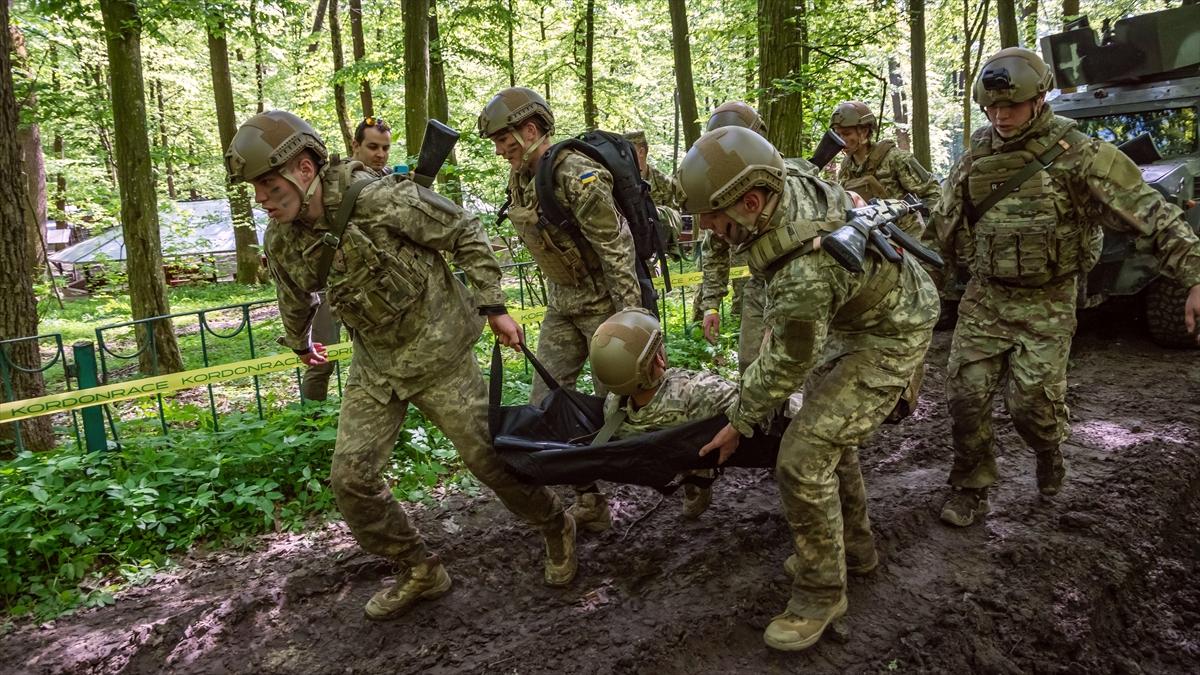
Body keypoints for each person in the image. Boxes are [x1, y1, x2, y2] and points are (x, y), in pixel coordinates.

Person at [225, 110, 577, 621]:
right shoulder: (283, 238)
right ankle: (418, 567)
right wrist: (300, 342)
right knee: (351, 478)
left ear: (303, 169)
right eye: (254, 189)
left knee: (488, 461)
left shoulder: (378, 199)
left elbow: (464, 230)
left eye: (265, 183)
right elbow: (294, 292)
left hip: (439, 353)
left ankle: (554, 524)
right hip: (376, 367)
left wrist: (493, 304)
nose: (260, 198)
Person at [680, 126, 939, 650]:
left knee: (802, 457)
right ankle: (857, 548)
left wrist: (737, 424)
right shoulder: (784, 173)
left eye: (713, 215)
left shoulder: (806, 274)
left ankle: (822, 593)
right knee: (823, 433)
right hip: (854, 317)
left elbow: (786, 362)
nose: (706, 227)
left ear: (751, 202)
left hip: (892, 332)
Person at [932, 47, 1200, 527]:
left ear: (1038, 100)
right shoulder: (975, 155)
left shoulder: (1081, 155)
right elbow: (944, 229)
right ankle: (971, 485)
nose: (1001, 116)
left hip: (1048, 298)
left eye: (1010, 106)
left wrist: (1196, 274)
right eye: (991, 107)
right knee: (964, 398)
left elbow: (1152, 212)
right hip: (986, 295)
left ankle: (1049, 449)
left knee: (1031, 403)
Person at [478, 87, 642, 533]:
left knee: (633, 404)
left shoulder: (577, 174)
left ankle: (690, 472)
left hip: (606, 308)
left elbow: (617, 248)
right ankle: (589, 499)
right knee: (547, 405)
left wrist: (632, 321)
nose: (499, 150)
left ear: (530, 130)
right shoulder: (522, 178)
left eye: (504, 140)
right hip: (562, 306)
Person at [589, 307, 738, 518]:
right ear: (659, 359)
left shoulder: (612, 410)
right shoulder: (697, 391)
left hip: (657, 465)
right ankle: (697, 485)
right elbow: (747, 401)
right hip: (698, 454)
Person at [830, 100, 940, 237]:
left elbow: (933, 193)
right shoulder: (847, 166)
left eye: (846, 134)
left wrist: (928, 234)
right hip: (873, 237)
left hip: (909, 237)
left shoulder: (895, 158)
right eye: (837, 134)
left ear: (864, 132)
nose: (840, 140)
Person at [624, 130, 686, 259]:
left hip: (654, 252)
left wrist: (654, 215)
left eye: (628, 151)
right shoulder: (620, 182)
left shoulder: (664, 183)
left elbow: (676, 220)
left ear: (641, 152)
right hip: (626, 251)